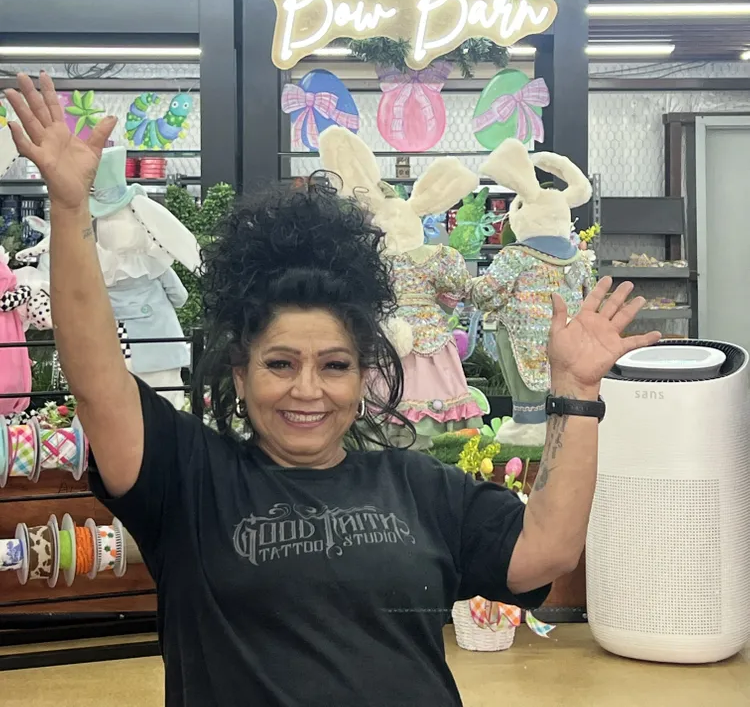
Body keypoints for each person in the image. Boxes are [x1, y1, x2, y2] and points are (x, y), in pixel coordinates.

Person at [5, 72, 661, 707]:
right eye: (280, 364)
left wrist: (576, 392)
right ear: (241, 373)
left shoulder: (422, 488)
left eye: (335, 365)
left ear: (363, 374)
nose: (308, 389)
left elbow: (546, 550)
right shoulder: (188, 480)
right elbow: (98, 380)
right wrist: (70, 208)